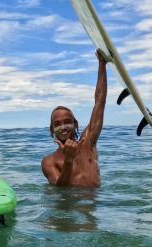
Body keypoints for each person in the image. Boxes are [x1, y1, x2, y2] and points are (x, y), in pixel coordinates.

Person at [42, 50, 108, 187]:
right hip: (69, 206)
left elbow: (99, 102)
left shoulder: (89, 143)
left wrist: (102, 64)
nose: (64, 127)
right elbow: (61, 191)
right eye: (57, 124)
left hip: (95, 203)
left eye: (67, 122)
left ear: (75, 124)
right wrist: (68, 160)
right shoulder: (49, 161)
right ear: (52, 129)